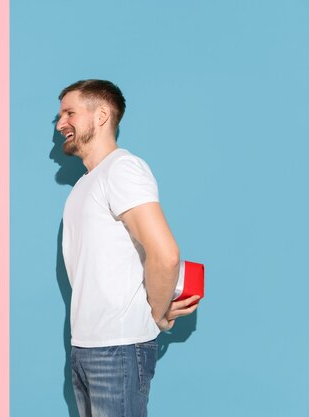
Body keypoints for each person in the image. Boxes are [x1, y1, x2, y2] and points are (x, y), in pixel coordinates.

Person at [56, 80, 198, 417]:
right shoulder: (85, 184)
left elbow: (165, 254)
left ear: (101, 114)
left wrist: (157, 315)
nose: (61, 124)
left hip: (117, 347)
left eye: (69, 113)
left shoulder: (122, 169)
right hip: (86, 347)